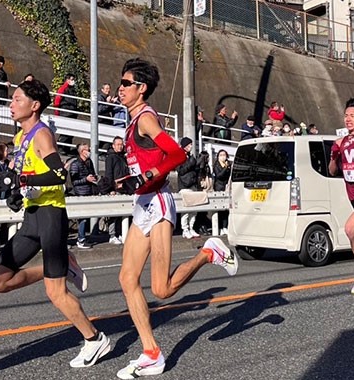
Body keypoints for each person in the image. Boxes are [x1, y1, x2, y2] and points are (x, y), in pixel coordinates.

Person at [116, 58, 238, 379]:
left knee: (162, 290)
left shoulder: (145, 118)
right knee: (127, 280)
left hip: (157, 201)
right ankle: (151, 353)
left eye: (126, 83)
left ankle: (208, 253)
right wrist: (134, 179)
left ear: (141, 89)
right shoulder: (131, 121)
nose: (120, 88)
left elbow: (177, 153)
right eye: (121, 83)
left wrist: (151, 174)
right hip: (143, 202)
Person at [0, 79, 110, 367]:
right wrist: (18, 194)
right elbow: (27, 176)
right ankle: (61, 264)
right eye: (12, 99)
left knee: (56, 293)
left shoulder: (42, 135)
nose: (11, 104)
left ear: (35, 105)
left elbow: (58, 176)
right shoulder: (20, 138)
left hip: (51, 217)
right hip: (31, 218)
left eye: (17, 99)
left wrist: (24, 180)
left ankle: (95, 339)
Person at [328, 97, 354, 295]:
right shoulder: (341, 142)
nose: (348, 119)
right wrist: (335, 154)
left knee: (350, 228)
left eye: (352, 115)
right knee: (352, 231)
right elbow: (332, 170)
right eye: (346, 115)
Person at [69, 142, 97, 249]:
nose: (89, 151)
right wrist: (86, 179)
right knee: (82, 218)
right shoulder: (75, 164)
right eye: (87, 149)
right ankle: (80, 239)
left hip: (90, 191)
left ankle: (83, 237)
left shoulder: (89, 162)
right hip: (80, 193)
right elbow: (74, 181)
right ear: (82, 152)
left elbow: (93, 174)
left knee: (86, 217)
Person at [104, 136, 130, 244]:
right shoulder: (111, 157)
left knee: (121, 214)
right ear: (113, 145)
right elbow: (108, 174)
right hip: (115, 188)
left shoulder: (123, 157)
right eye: (118, 144)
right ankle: (112, 235)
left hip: (124, 188)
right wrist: (111, 188)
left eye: (121, 144)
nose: (120, 146)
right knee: (113, 213)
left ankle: (119, 233)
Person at [176, 136, 200, 239]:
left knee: (194, 209)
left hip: (193, 184)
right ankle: (185, 230)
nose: (191, 146)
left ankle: (191, 227)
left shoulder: (191, 156)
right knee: (186, 210)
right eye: (189, 144)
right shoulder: (179, 155)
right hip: (184, 185)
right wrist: (190, 164)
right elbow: (180, 171)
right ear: (184, 146)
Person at [54, 74, 78, 154]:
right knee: (65, 132)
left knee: (70, 132)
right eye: (71, 79)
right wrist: (57, 113)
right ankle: (60, 147)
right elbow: (57, 100)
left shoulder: (72, 89)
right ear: (67, 79)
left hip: (72, 113)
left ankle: (66, 148)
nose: (73, 81)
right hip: (66, 113)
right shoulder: (63, 88)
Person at [213, 149, 231, 235]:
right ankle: (220, 227)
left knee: (226, 209)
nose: (223, 156)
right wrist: (225, 168)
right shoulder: (216, 165)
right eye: (221, 155)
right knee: (220, 209)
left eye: (224, 155)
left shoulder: (228, 165)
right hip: (219, 187)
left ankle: (225, 226)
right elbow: (219, 176)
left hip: (226, 187)